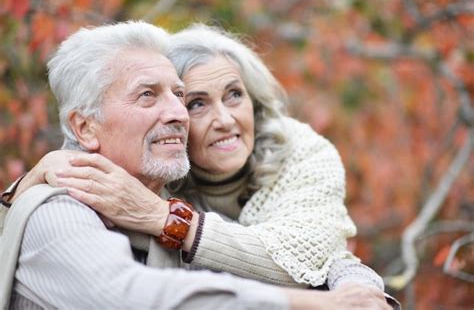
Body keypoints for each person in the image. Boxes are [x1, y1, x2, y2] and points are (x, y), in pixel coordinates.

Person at [0, 20, 393, 309]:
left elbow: (322, 256)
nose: (179, 114)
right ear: (85, 128)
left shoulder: (166, 196)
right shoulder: (62, 209)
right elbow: (129, 296)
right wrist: (311, 305)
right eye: (195, 102)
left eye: (178, 95)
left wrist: (360, 295)